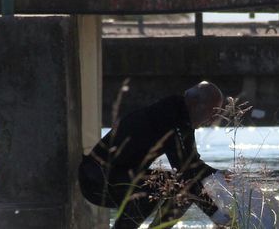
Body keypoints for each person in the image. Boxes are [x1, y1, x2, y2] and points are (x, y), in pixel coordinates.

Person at [78, 81, 231, 228]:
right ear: (195, 103)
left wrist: (216, 174)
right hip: (97, 180)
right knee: (162, 186)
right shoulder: (168, 117)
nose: (213, 120)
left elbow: (192, 164)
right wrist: (216, 214)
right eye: (212, 112)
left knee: (175, 186)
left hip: (118, 176)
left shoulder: (181, 117)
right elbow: (185, 172)